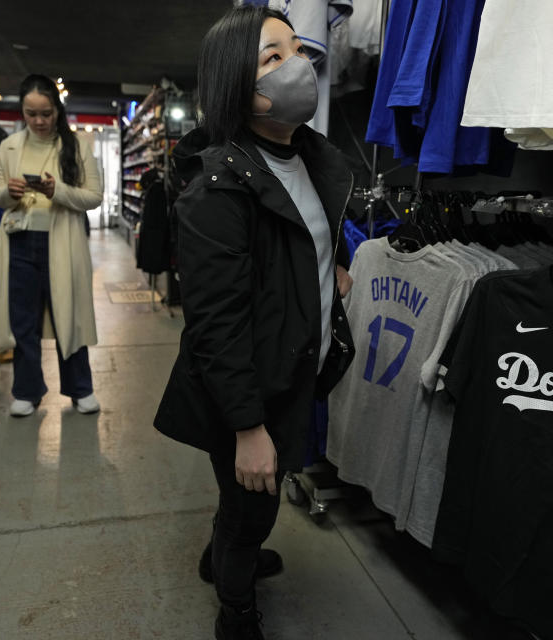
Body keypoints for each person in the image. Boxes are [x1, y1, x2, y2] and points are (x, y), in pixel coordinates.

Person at [154, 7, 356, 639]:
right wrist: (247, 428)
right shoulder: (217, 190)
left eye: (297, 49)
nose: (298, 64)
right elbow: (214, 324)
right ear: (235, 83)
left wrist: (335, 266)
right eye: (273, 57)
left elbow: (304, 233)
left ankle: (222, 557)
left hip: (285, 369)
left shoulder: (307, 159)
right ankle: (235, 610)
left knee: (248, 499)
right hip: (245, 391)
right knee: (252, 508)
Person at [0, 74, 102, 417]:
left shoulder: (78, 145)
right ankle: (26, 390)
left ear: (58, 110)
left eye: (46, 113)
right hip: (20, 243)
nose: (39, 121)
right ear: (22, 112)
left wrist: (58, 192)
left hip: (62, 242)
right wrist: (10, 192)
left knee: (71, 315)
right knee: (24, 322)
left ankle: (80, 388)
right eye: (31, 113)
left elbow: (94, 197)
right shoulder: (9, 147)